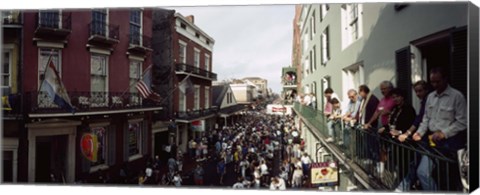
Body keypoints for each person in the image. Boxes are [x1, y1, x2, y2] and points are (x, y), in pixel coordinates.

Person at [412, 67, 467, 191]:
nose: (435, 85)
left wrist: (444, 133)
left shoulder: (457, 96)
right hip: (431, 142)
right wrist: (419, 133)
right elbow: (426, 118)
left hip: (450, 144)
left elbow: (463, 122)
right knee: (422, 173)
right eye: (432, 82)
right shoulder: (430, 97)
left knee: (450, 179)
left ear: (445, 79)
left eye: (438, 81)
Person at [356, 85, 379, 169]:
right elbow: (360, 111)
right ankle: (370, 160)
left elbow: (374, 113)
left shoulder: (372, 99)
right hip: (364, 126)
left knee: (373, 145)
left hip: (371, 126)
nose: (359, 94)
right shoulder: (364, 100)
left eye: (360, 92)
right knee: (368, 144)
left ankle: (376, 163)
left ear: (364, 91)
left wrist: (369, 123)